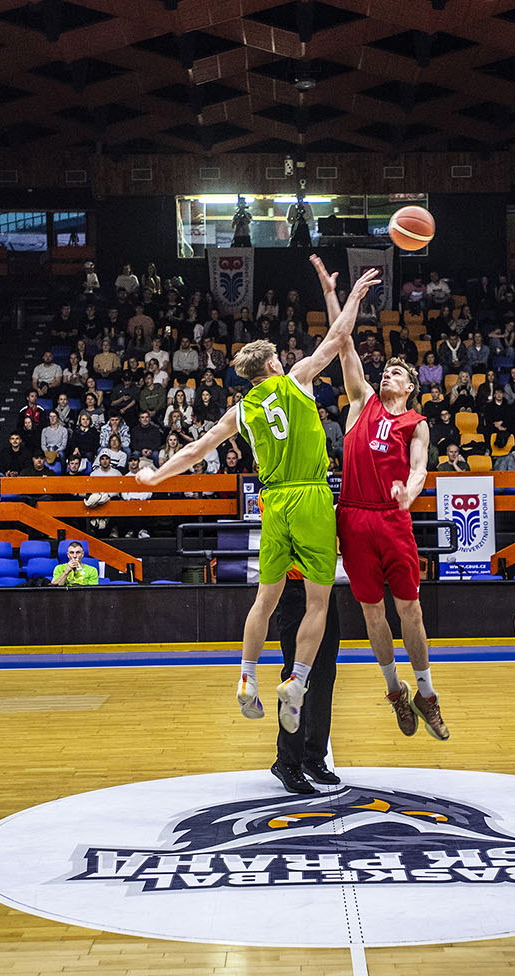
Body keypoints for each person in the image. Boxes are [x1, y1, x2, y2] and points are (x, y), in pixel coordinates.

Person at [136, 261, 378, 738]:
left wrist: (155, 475)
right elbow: (340, 336)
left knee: (264, 600)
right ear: (272, 365)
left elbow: (196, 449)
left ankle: (246, 676)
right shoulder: (298, 379)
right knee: (317, 602)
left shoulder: (240, 410)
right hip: (310, 497)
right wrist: (350, 296)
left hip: (272, 504)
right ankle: (297, 681)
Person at [323, 255, 448, 740]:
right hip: (352, 518)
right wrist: (339, 294)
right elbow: (342, 341)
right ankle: (395, 690)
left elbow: (419, 472)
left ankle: (426, 692)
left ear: (411, 388)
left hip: (393, 519)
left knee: (410, 609)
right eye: (386, 372)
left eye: (397, 374)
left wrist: (407, 493)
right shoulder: (360, 402)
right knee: (373, 613)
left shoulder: (416, 424)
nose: (387, 375)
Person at [270, 573, 342, 794]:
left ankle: (313, 757)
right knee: (295, 678)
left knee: (324, 674)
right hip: (293, 588)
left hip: (324, 588)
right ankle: (287, 762)